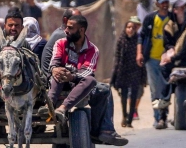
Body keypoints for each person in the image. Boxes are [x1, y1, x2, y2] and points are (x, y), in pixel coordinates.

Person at [40, 9, 128, 146]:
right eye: (67, 26)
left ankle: (63, 108)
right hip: (58, 80)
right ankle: (49, 106)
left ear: (81, 30)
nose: (66, 30)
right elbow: (54, 61)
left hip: (77, 83)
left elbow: (87, 71)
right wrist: (56, 69)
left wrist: (72, 76)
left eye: (70, 28)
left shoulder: (93, 50)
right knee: (61, 73)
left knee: (91, 80)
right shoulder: (61, 42)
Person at [137, 0, 173, 129]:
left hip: (168, 60)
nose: (164, 5)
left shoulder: (172, 18)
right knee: (154, 90)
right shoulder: (150, 18)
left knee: (166, 89)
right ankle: (157, 118)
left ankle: (164, 116)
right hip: (151, 59)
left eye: (166, 2)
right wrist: (139, 53)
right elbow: (142, 36)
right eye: (162, 2)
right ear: (157, 4)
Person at [111, 16, 147, 128]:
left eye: (132, 27)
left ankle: (130, 119)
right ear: (125, 28)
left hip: (136, 71)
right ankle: (124, 116)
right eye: (128, 27)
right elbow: (117, 57)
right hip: (124, 71)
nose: (130, 29)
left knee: (134, 95)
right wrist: (115, 74)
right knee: (124, 96)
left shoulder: (138, 40)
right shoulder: (121, 40)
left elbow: (142, 57)